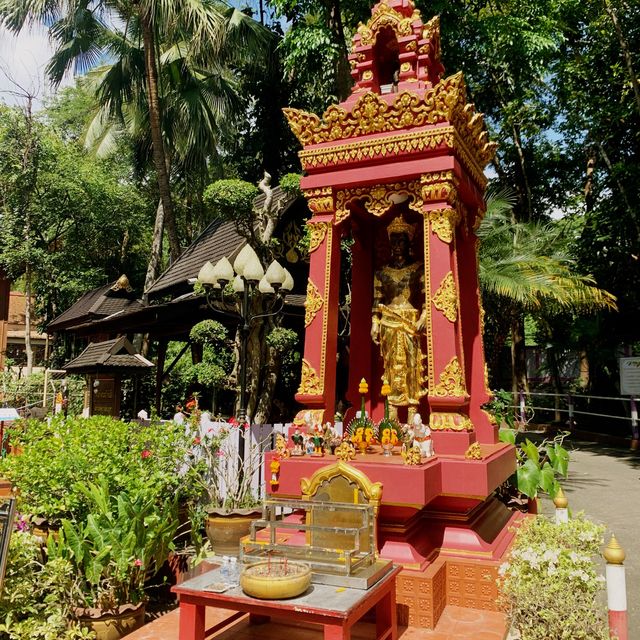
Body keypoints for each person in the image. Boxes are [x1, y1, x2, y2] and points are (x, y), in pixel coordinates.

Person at [371, 215, 427, 420]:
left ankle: (413, 411)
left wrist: (425, 316)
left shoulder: (418, 267)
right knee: (391, 366)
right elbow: (377, 299)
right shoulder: (381, 272)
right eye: (393, 241)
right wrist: (374, 322)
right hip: (388, 320)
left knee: (412, 365)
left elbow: (427, 295)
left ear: (408, 242)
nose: (396, 245)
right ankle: (392, 411)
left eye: (401, 240)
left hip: (410, 321)